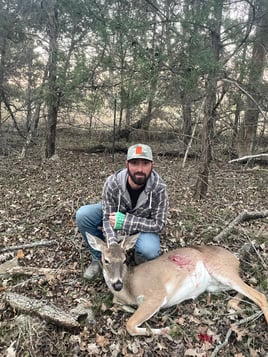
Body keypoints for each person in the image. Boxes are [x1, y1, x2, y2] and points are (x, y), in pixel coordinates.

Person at [76, 143, 168, 279]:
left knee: (149, 250)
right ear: (127, 164)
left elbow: (159, 224)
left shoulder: (159, 188)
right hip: (115, 220)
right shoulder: (113, 183)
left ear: (152, 165)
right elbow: (107, 217)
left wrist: (127, 221)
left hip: (140, 227)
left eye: (145, 163)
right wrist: (112, 246)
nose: (140, 169)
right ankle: (100, 259)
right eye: (135, 163)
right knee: (83, 215)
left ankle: (139, 264)